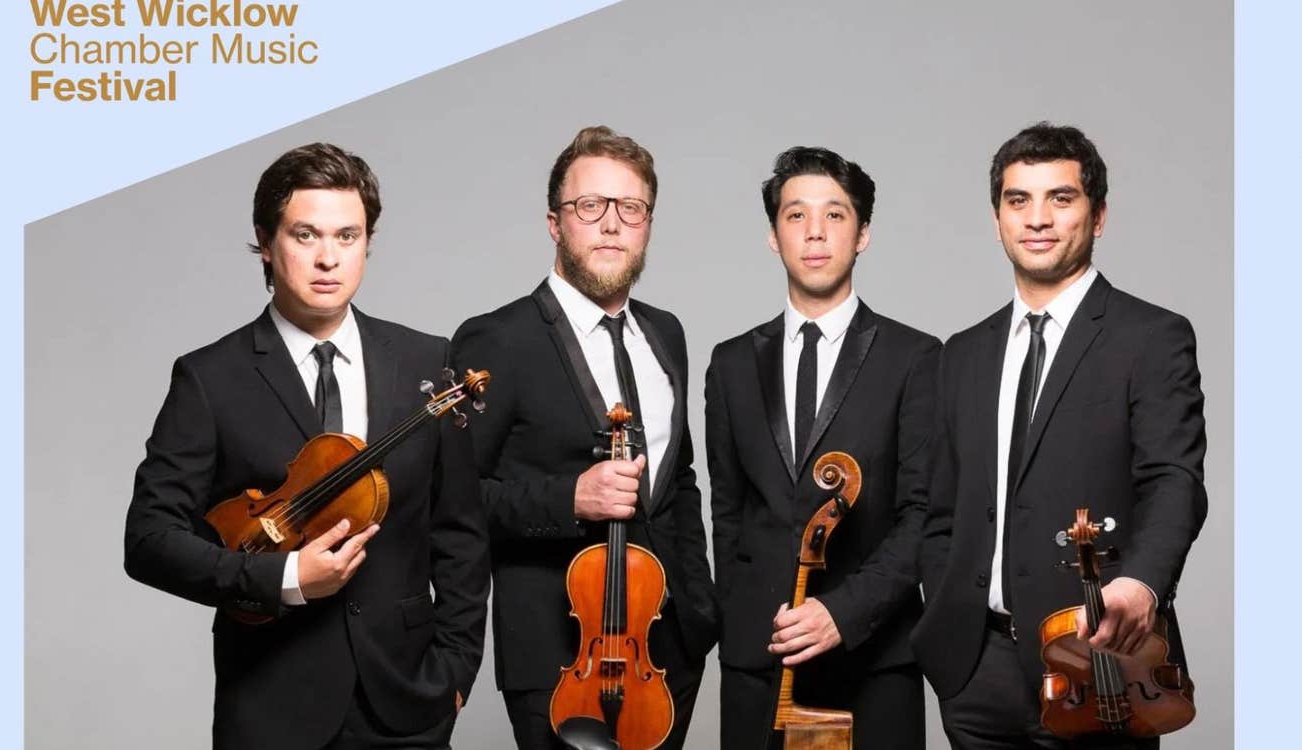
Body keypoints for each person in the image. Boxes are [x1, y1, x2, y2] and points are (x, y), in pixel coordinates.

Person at [124, 143, 490, 750]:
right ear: (266, 243)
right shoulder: (210, 378)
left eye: (348, 236)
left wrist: (454, 672)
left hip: (408, 701)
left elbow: (460, 533)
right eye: (305, 235)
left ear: (368, 243)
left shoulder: (428, 361)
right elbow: (149, 540)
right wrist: (285, 575)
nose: (328, 258)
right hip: (271, 701)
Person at [913, 123, 1208, 749]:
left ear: (1097, 217)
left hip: (1098, 667)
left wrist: (1144, 583)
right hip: (973, 671)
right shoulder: (961, 355)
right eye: (1018, 200)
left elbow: (1174, 481)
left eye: (1061, 198)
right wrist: (947, 633)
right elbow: (941, 510)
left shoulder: (1152, 337)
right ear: (997, 219)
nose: (1037, 218)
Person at [451, 125, 718, 750]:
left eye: (631, 208)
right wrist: (568, 499)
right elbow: (454, 503)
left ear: (648, 224)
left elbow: (678, 481)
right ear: (554, 222)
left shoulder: (666, 333)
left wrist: (699, 611)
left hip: (666, 647)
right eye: (589, 206)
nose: (611, 225)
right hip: (556, 654)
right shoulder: (497, 340)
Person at [705, 146, 938, 749]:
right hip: (759, 657)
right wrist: (743, 614)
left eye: (835, 216)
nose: (814, 233)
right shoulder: (729, 364)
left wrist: (844, 612)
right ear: (773, 236)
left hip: (874, 657)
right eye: (795, 215)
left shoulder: (915, 358)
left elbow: (923, 516)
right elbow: (727, 514)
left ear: (862, 235)